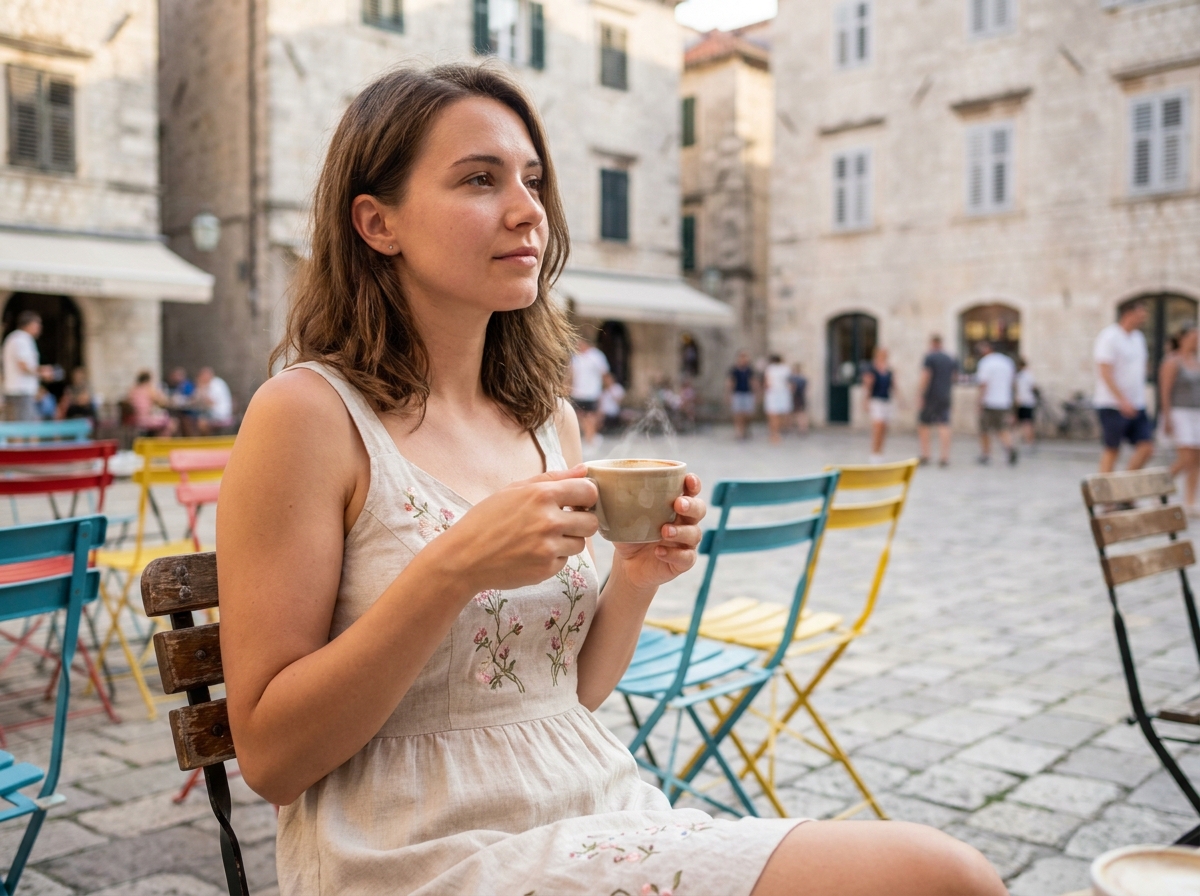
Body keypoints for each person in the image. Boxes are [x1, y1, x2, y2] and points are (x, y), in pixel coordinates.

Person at [216, 65, 1003, 896]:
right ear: (378, 223)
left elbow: (570, 694)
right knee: (937, 876)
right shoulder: (308, 415)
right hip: (413, 847)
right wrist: (452, 568)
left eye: (534, 180)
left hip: (595, 805)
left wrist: (634, 578)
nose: (528, 210)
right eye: (480, 180)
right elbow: (270, 759)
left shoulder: (545, 419)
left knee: (937, 875)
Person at [1095, 301, 1154, 473]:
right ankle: (1105, 495)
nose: (1144, 318)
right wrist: (1122, 400)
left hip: (1137, 403)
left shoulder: (1138, 338)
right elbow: (1105, 371)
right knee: (1112, 449)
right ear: (1128, 314)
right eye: (1141, 314)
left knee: (1146, 447)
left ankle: (1126, 488)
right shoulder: (1109, 337)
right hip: (1112, 404)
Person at [1161, 323, 1200, 513]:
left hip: (1196, 414)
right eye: (1194, 337)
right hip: (1179, 413)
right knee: (1186, 458)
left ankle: (1190, 501)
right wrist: (1167, 418)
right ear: (1183, 338)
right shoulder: (1172, 361)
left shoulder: (1196, 361)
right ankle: (1158, 489)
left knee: (1197, 459)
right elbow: (1165, 391)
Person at [2, 311, 54, 422]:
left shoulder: (14, 338)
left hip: (15, 389)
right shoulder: (21, 339)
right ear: (29, 324)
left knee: (17, 425)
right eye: (38, 323)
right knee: (25, 426)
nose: (40, 327)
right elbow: (23, 365)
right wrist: (43, 372)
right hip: (21, 391)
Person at [975, 342, 1017, 465]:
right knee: (1002, 428)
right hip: (1004, 401)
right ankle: (1009, 448)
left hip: (989, 401)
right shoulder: (1007, 362)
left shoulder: (985, 363)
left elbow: (984, 384)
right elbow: (1012, 383)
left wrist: (979, 402)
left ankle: (986, 454)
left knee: (984, 430)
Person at [917, 335, 955, 467]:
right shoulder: (950, 358)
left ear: (932, 343)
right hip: (945, 395)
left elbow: (926, 375)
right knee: (944, 424)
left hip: (931, 395)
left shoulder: (930, 357)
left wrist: (921, 394)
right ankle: (944, 457)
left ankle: (926, 454)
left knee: (924, 424)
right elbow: (954, 377)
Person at [569, 335, 608, 449]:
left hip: (591, 392)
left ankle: (591, 440)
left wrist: (605, 391)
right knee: (579, 417)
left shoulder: (597, 356)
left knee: (590, 418)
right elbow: (572, 374)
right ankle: (589, 437)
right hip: (577, 393)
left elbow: (604, 374)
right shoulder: (576, 357)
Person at [860, 347, 896, 464]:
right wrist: (866, 400)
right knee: (877, 426)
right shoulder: (872, 369)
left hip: (886, 400)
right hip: (876, 401)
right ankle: (874, 452)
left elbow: (893, 386)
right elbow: (868, 386)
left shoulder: (888, 370)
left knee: (884, 428)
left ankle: (880, 451)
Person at [127, 370, 176, 436]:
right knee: (171, 423)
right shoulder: (148, 389)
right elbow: (162, 402)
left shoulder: (133, 390)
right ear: (149, 380)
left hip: (135, 419)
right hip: (146, 419)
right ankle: (160, 444)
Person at [193, 366, 234, 434]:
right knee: (190, 418)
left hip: (220, 413)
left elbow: (210, 403)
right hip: (212, 412)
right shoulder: (207, 384)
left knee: (201, 421)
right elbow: (195, 400)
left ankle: (205, 441)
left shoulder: (216, 384)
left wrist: (201, 387)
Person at [762, 354, 793, 444]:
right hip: (784, 393)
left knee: (772, 415)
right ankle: (779, 432)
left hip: (773, 393)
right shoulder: (786, 368)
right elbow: (789, 382)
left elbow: (767, 382)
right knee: (782, 414)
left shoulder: (770, 368)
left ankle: (774, 434)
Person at [727, 350, 756, 439]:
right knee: (738, 413)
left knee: (747, 414)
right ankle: (739, 431)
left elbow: (753, 381)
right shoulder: (734, 370)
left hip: (748, 393)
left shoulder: (750, 370)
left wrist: (756, 392)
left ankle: (745, 428)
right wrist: (729, 394)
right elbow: (730, 382)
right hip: (738, 393)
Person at [1014, 358, 1038, 447]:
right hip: (1029, 401)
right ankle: (1029, 440)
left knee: (1025, 422)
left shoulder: (1020, 376)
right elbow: (1033, 387)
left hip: (1022, 401)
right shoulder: (1029, 375)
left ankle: (1027, 440)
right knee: (1028, 422)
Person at [789, 362, 809, 434]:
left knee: (797, 414)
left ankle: (798, 428)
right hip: (801, 397)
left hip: (796, 397)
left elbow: (792, 388)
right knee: (802, 413)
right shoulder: (803, 378)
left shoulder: (793, 379)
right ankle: (804, 428)